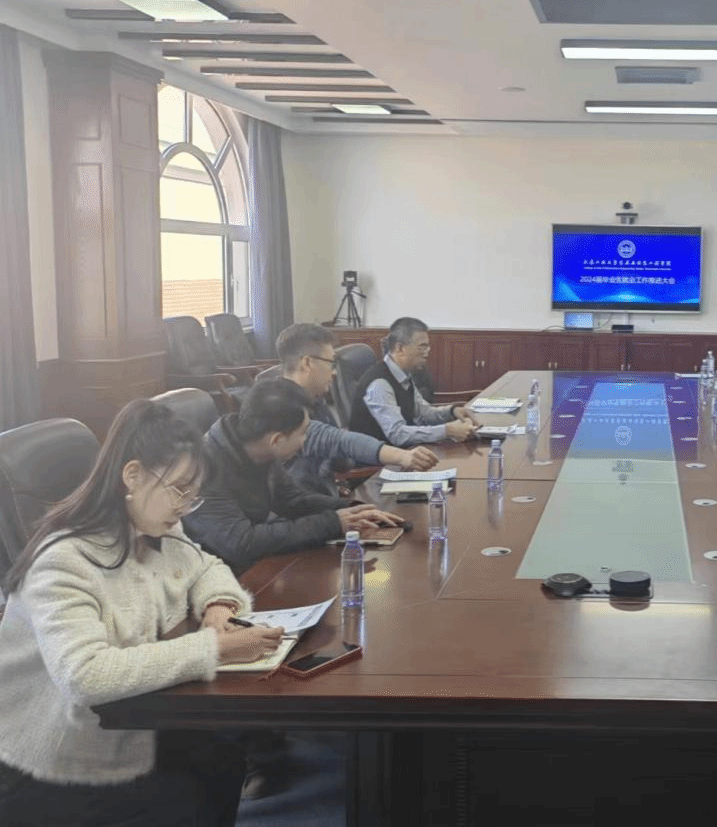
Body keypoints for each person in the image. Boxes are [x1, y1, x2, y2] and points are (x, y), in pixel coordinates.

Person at [0, 400, 284, 827]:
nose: (186, 506)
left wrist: (218, 604)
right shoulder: (61, 561)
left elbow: (205, 565)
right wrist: (214, 648)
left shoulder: (153, 524)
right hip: (47, 756)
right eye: (180, 489)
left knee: (221, 759)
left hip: (122, 722)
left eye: (193, 493)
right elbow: (85, 675)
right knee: (185, 796)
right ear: (132, 475)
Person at [186, 378, 403, 574]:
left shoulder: (259, 446)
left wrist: (350, 509)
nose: (305, 440)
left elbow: (291, 500)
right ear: (276, 439)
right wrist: (333, 523)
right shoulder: (204, 468)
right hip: (219, 578)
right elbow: (241, 543)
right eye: (303, 433)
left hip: (254, 563)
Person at [276, 323, 438, 495]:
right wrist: (401, 456)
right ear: (308, 363)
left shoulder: (315, 399)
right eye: (331, 363)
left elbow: (341, 462)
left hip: (328, 498)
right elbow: (338, 440)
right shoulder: (281, 407)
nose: (334, 373)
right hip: (305, 506)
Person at [348, 317, 480, 445]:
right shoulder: (379, 384)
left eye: (427, 347)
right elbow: (397, 434)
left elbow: (423, 413)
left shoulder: (403, 375)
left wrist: (452, 412)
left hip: (403, 453)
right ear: (400, 348)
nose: (426, 353)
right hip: (378, 458)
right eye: (422, 347)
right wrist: (447, 431)